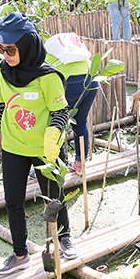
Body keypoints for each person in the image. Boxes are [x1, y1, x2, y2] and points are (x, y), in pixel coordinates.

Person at [0, 13, 77, 275]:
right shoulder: (2, 71)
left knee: (53, 198)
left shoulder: (48, 77)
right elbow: (1, 106)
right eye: (0, 48)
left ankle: (64, 238)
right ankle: (19, 254)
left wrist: (52, 138)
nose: (5, 54)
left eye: (11, 49)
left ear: (27, 45)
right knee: (12, 201)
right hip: (14, 147)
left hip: (46, 149)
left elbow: (61, 112)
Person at [44, 32, 99, 174]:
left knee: (56, 121)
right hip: (92, 80)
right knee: (80, 122)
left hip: (73, 82)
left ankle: (54, 166)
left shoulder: (44, 53)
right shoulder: (71, 49)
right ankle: (80, 164)